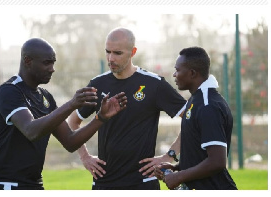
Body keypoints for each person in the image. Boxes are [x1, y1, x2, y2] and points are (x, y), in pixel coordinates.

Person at [0, 38, 127, 190]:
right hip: (3, 184)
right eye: (47, 63)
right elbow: (31, 131)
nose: (52, 69)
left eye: (53, 63)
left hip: (32, 184)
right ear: (27, 60)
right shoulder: (10, 91)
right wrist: (71, 105)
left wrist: (100, 118)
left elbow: (70, 142)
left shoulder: (46, 97)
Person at [68, 27, 186, 190]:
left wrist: (169, 156)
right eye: (107, 52)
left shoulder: (154, 84)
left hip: (142, 183)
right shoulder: (97, 84)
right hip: (104, 182)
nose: (110, 58)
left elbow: (191, 119)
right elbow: (73, 122)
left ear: (133, 52)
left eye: (117, 53)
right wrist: (85, 157)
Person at [154, 46, 237, 190]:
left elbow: (217, 161)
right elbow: (200, 154)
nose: (174, 74)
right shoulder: (196, 100)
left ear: (192, 73)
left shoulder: (208, 106)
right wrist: (176, 168)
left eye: (178, 70)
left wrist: (179, 177)